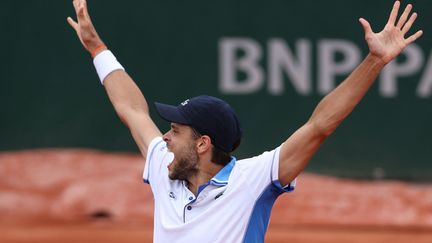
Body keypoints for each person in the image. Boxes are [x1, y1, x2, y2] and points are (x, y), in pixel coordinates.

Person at [67, 0, 422, 242]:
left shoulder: (253, 180)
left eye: (175, 131)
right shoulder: (167, 167)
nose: (165, 139)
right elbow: (132, 111)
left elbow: (319, 126)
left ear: (203, 144)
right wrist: (98, 50)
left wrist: (375, 62)